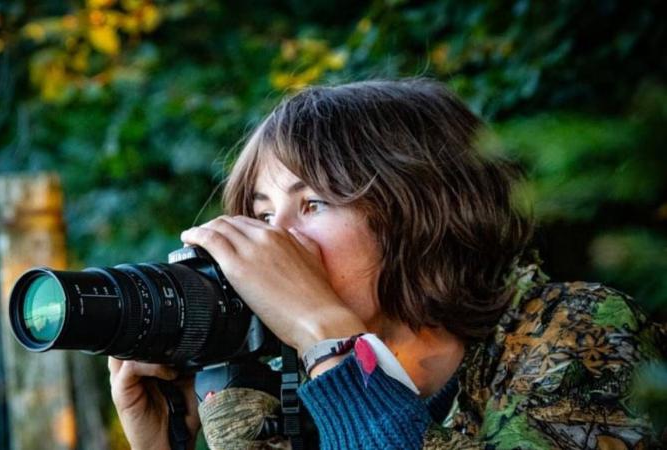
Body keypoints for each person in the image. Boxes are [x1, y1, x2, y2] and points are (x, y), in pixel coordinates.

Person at [108, 79, 666, 449]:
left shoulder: (583, 333)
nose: (271, 243)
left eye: (313, 204)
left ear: (420, 213)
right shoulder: (289, 389)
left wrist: (329, 341)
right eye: (260, 214)